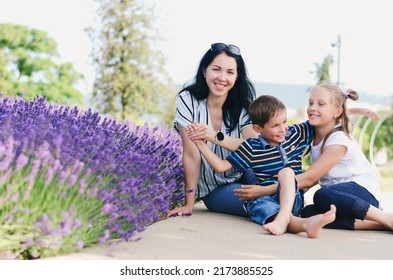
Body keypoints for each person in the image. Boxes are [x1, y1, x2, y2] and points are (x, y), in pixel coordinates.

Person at [192, 95, 337, 237]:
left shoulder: (296, 133)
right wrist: (199, 143)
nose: (282, 129)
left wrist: (347, 109)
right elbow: (221, 166)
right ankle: (304, 224)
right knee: (256, 204)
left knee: (286, 172)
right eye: (275, 126)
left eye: (284, 122)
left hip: (293, 199)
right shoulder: (251, 148)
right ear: (257, 128)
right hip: (267, 199)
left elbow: (324, 118)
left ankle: (284, 217)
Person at [167, 43, 259, 218]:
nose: (222, 77)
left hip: (243, 171)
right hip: (214, 187)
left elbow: (255, 147)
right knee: (257, 202)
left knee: (277, 189)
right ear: (204, 71)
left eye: (230, 72)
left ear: (237, 76)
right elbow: (191, 156)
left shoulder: (242, 105)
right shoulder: (188, 101)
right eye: (216, 69)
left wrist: (215, 137)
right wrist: (189, 203)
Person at [294, 80, 393, 231]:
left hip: (362, 192)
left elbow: (310, 177)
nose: (312, 108)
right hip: (339, 197)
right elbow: (318, 175)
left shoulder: (338, 139)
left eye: (320, 104)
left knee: (322, 195)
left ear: (337, 112)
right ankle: (379, 223)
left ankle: (385, 217)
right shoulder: (313, 136)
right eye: (311, 102)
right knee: (306, 213)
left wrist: (267, 189)